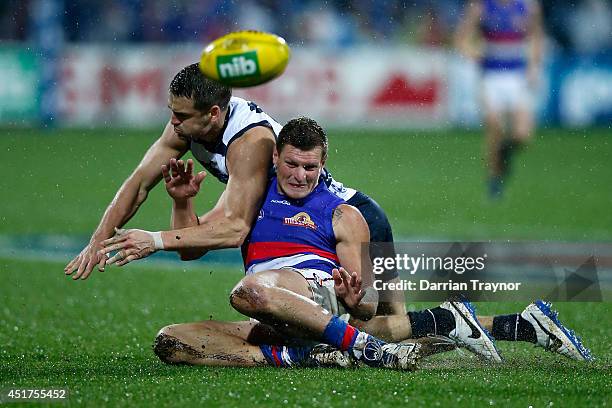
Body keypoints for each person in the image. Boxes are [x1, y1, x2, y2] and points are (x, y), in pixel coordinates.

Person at [102, 117, 498, 368]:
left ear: (323, 165)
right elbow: (191, 248)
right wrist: (182, 200)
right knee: (171, 341)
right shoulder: (250, 196)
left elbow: (368, 305)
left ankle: (362, 348)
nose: (300, 176)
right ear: (274, 156)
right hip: (272, 316)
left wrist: (352, 295)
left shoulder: (344, 214)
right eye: (291, 164)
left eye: (311, 167)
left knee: (251, 289)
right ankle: (304, 356)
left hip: (309, 295)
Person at [64, 62, 404, 324]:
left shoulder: (249, 144)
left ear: (213, 114)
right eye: (172, 112)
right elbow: (139, 182)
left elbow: (236, 228)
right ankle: (442, 324)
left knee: (386, 321)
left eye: (180, 115)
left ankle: (445, 321)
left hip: (348, 218)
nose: (173, 122)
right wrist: (98, 239)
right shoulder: (186, 126)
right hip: (279, 215)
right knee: (354, 330)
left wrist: (153, 240)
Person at [454, 0, 544, 197]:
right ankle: (494, 179)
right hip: (491, 77)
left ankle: (503, 156)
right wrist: (474, 53)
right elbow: (460, 40)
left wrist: (534, 66)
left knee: (522, 136)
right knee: (494, 127)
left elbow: (536, 36)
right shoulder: (481, 7)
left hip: (517, 76)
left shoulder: (528, 6)